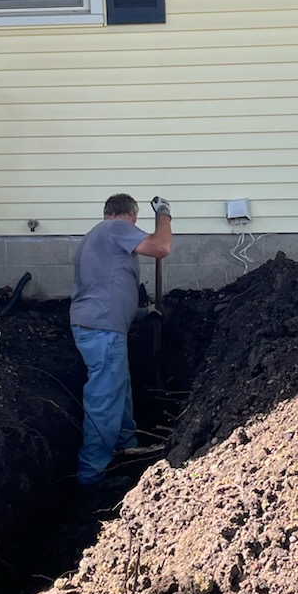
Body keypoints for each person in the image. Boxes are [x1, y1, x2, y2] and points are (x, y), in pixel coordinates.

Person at [70, 192, 172, 486]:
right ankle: (92, 475)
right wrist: (165, 215)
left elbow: (104, 286)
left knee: (119, 389)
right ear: (133, 216)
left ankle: (126, 444)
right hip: (102, 330)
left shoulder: (97, 236)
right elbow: (161, 246)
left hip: (99, 326)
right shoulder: (117, 228)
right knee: (105, 398)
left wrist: (141, 313)